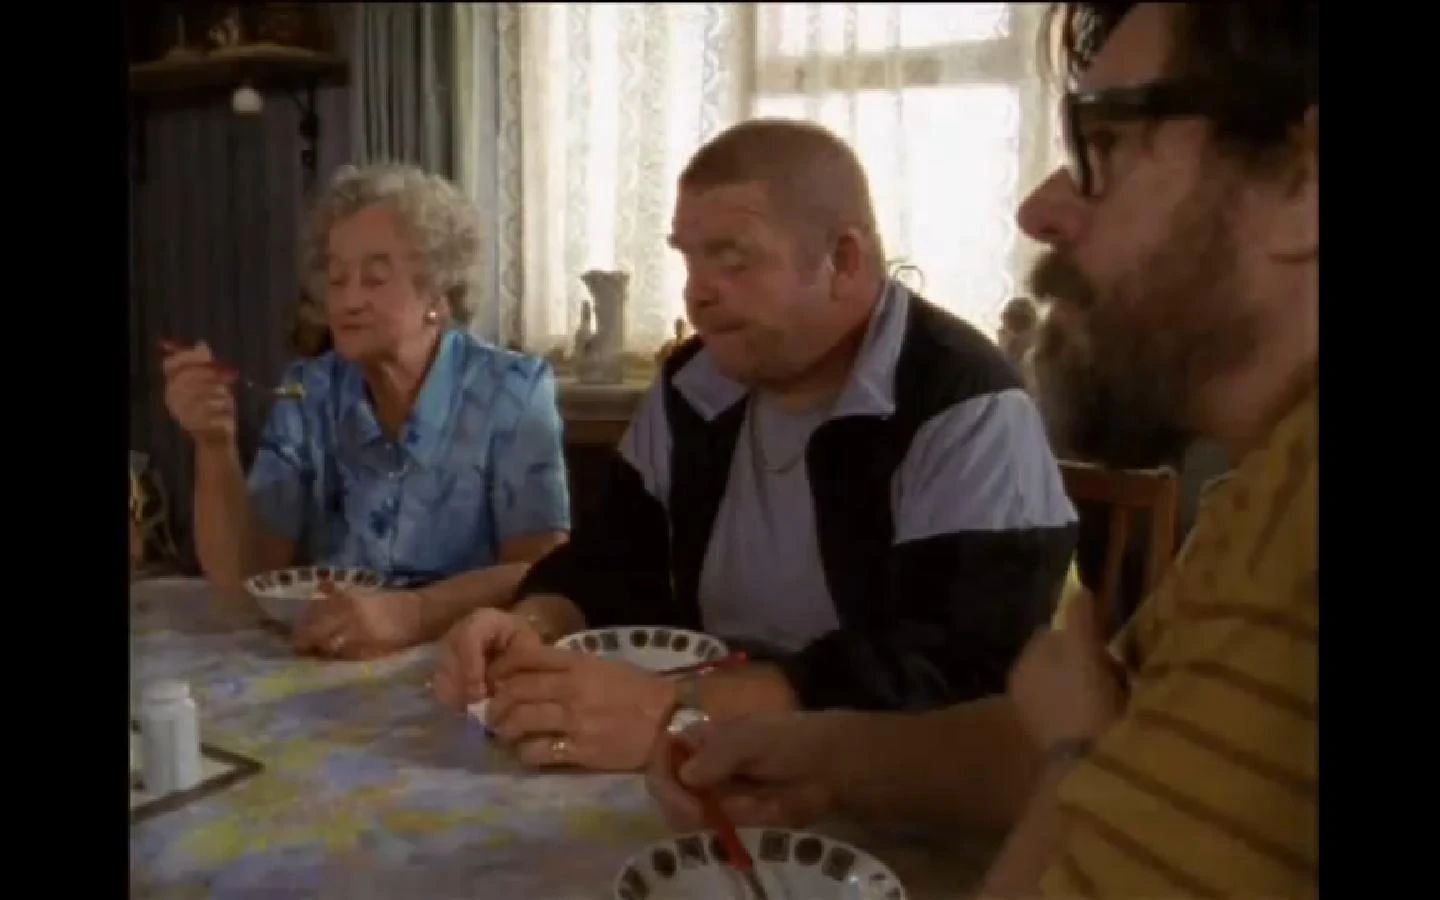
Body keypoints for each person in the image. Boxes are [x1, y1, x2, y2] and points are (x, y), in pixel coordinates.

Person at [645, 3, 1317, 898]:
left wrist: (1076, 754)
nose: (1039, 209)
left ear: (1304, 183)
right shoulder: (1259, 499)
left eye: (1105, 144)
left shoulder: (1300, 547)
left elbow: (1073, 741)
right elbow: (1087, 736)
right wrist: (829, 758)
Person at [433, 119, 1078, 772]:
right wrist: (534, 624)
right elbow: (613, 560)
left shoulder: (965, 402)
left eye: (732, 261)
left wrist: (678, 709)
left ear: (845, 261)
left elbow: (961, 668)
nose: (697, 293)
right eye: (688, 260)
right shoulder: (694, 382)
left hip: (880, 780)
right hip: (702, 759)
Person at [160, 163, 571, 660]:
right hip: (328, 661)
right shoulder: (308, 391)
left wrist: (412, 613)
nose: (348, 300)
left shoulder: (513, 391)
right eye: (336, 279)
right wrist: (213, 445)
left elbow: (543, 572)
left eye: (375, 279)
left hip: (462, 663)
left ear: (438, 297)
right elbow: (245, 580)